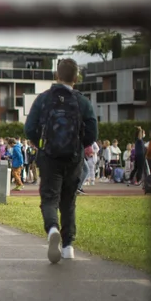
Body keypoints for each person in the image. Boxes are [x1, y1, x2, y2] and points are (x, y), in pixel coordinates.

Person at [24, 58, 97, 264]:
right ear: (76, 78)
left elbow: (29, 128)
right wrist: (77, 145)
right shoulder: (82, 102)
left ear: (57, 75)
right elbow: (92, 133)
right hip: (73, 158)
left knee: (49, 198)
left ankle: (52, 228)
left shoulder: (44, 99)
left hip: (49, 157)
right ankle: (68, 246)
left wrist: (42, 144)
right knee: (69, 200)